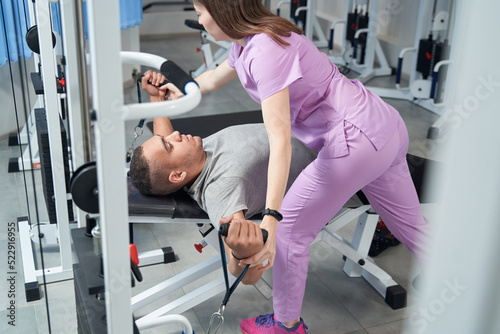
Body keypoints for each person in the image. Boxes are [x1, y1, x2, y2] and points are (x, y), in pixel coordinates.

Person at [161, 1, 433, 333]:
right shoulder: (249, 39)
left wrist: (273, 219)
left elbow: (280, 141)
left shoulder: (265, 51)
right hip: (382, 125)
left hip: (355, 140)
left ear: (223, 11)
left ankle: (286, 326)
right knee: (409, 224)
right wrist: (178, 90)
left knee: (289, 232)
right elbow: (214, 79)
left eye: (201, 11)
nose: (200, 20)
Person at [129, 71, 320, 285]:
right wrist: (240, 255)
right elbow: (245, 276)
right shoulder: (220, 189)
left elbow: (163, 140)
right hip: (333, 156)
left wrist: (156, 98)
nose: (175, 135)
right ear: (177, 175)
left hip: (310, 126)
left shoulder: (190, 159)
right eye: (170, 145)